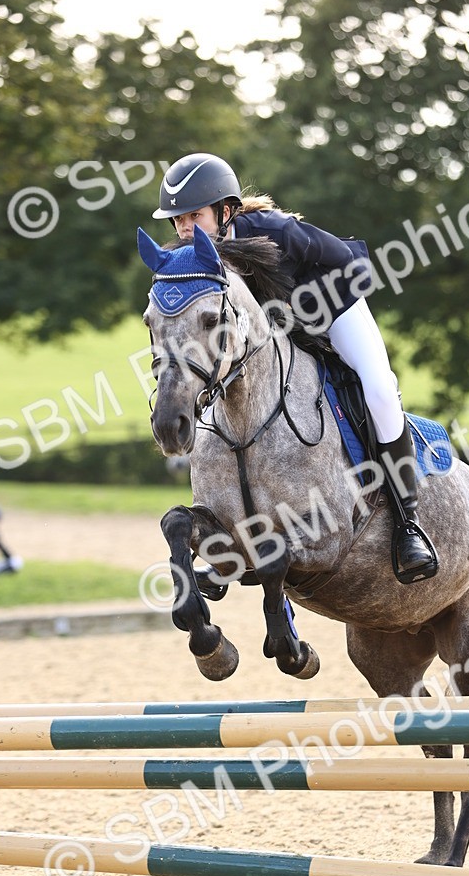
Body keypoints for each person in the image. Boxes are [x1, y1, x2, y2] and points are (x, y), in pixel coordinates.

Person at [150, 152, 437, 585]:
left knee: (378, 389)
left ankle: (407, 522)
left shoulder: (276, 232)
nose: (185, 229)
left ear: (226, 211)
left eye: (195, 216)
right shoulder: (193, 259)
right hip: (276, 337)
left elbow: (346, 260)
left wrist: (305, 312)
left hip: (335, 308)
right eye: (177, 220)